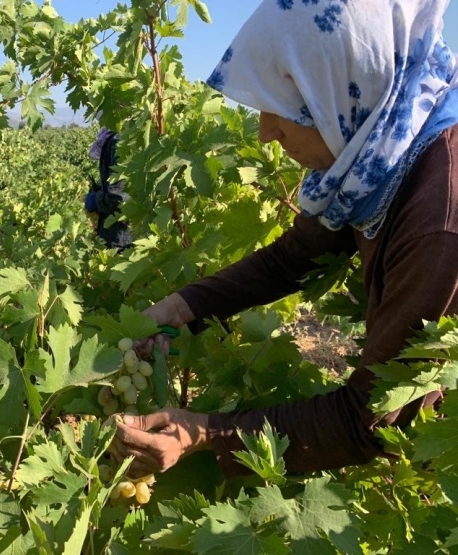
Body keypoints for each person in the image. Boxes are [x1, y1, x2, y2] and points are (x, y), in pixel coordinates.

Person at [111, 0, 458, 480]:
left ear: (338, 89)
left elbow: (372, 420)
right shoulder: (375, 154)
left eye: (285, 111)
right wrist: (180, 308)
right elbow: (294, 258)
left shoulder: (440, 226)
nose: (265, 133)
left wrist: (207, 434)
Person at [84, 127, 133, 251]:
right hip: (126, 234)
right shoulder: (127, 134)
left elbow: (119, 198)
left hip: (121, 238)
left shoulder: (118, 140)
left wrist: (96, 199)